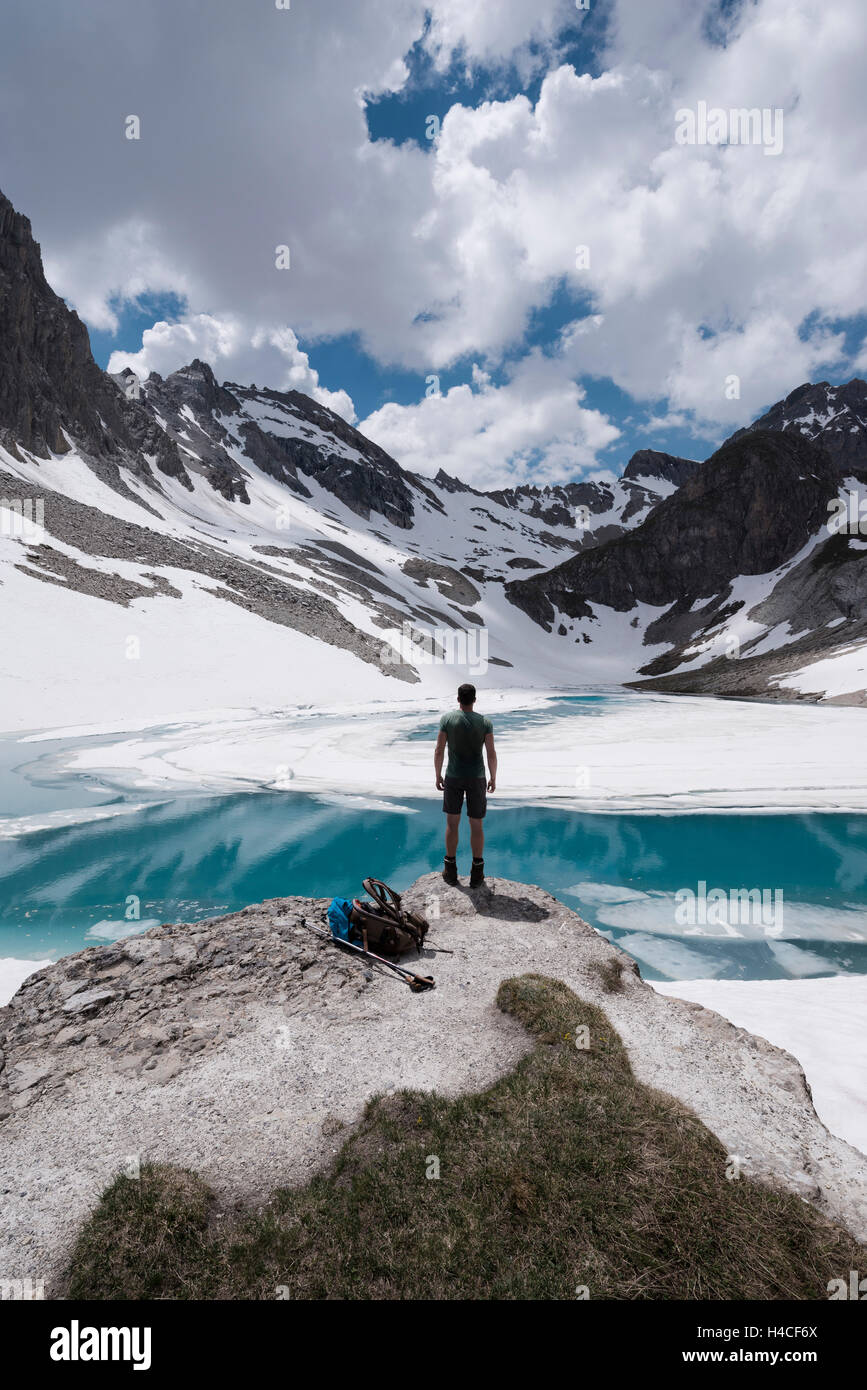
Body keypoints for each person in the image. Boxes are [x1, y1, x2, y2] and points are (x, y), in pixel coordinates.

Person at [434, 683, 497, 888]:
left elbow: (439, 749)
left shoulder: (447, 719)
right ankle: (477, 873)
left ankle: (450, 870)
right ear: (475, 699)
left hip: (453, 776)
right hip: (477, 777)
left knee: (452, 823)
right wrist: (493, 776)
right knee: (476, 824)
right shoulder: (485, 722)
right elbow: (490, 752)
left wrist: (437, 774)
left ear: (458, 699)